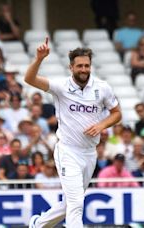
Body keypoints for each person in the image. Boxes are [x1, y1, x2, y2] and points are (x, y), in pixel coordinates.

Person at [25, 38, 122, 228]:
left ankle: (38, 224)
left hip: (89, 153)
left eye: (87, 65)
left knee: (72, 201)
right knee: (77, 202)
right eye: (80, 66)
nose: (84, 69)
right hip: (68, 151)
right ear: (71, 67)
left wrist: (102, 125)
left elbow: (117, 114)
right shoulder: (61, 86)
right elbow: (29, 79)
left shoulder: (102, 88)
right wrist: (39, 59)